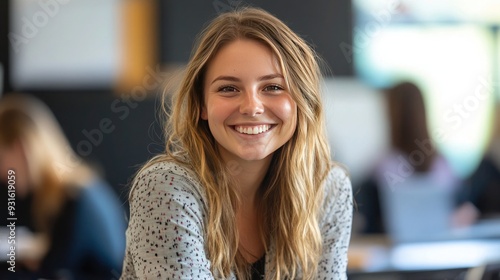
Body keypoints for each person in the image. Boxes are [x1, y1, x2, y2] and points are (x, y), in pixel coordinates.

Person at [120, 7, 353, 280]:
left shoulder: (328, 188)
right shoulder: (166, 187)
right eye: (228, 89)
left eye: (273, 87)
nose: (252, 107)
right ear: (201, 105)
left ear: (301, 101)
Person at [0, 93, 126, 279]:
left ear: (21, 148)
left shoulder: (74, 200)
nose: (2, 172)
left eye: (1, 158)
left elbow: (51, 272)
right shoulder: (81, 189)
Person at [357, 81, 460, 234]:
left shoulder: (379, 171)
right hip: (442, 251)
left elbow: (365, 223)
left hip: (395, 252)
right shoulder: (444, 167)